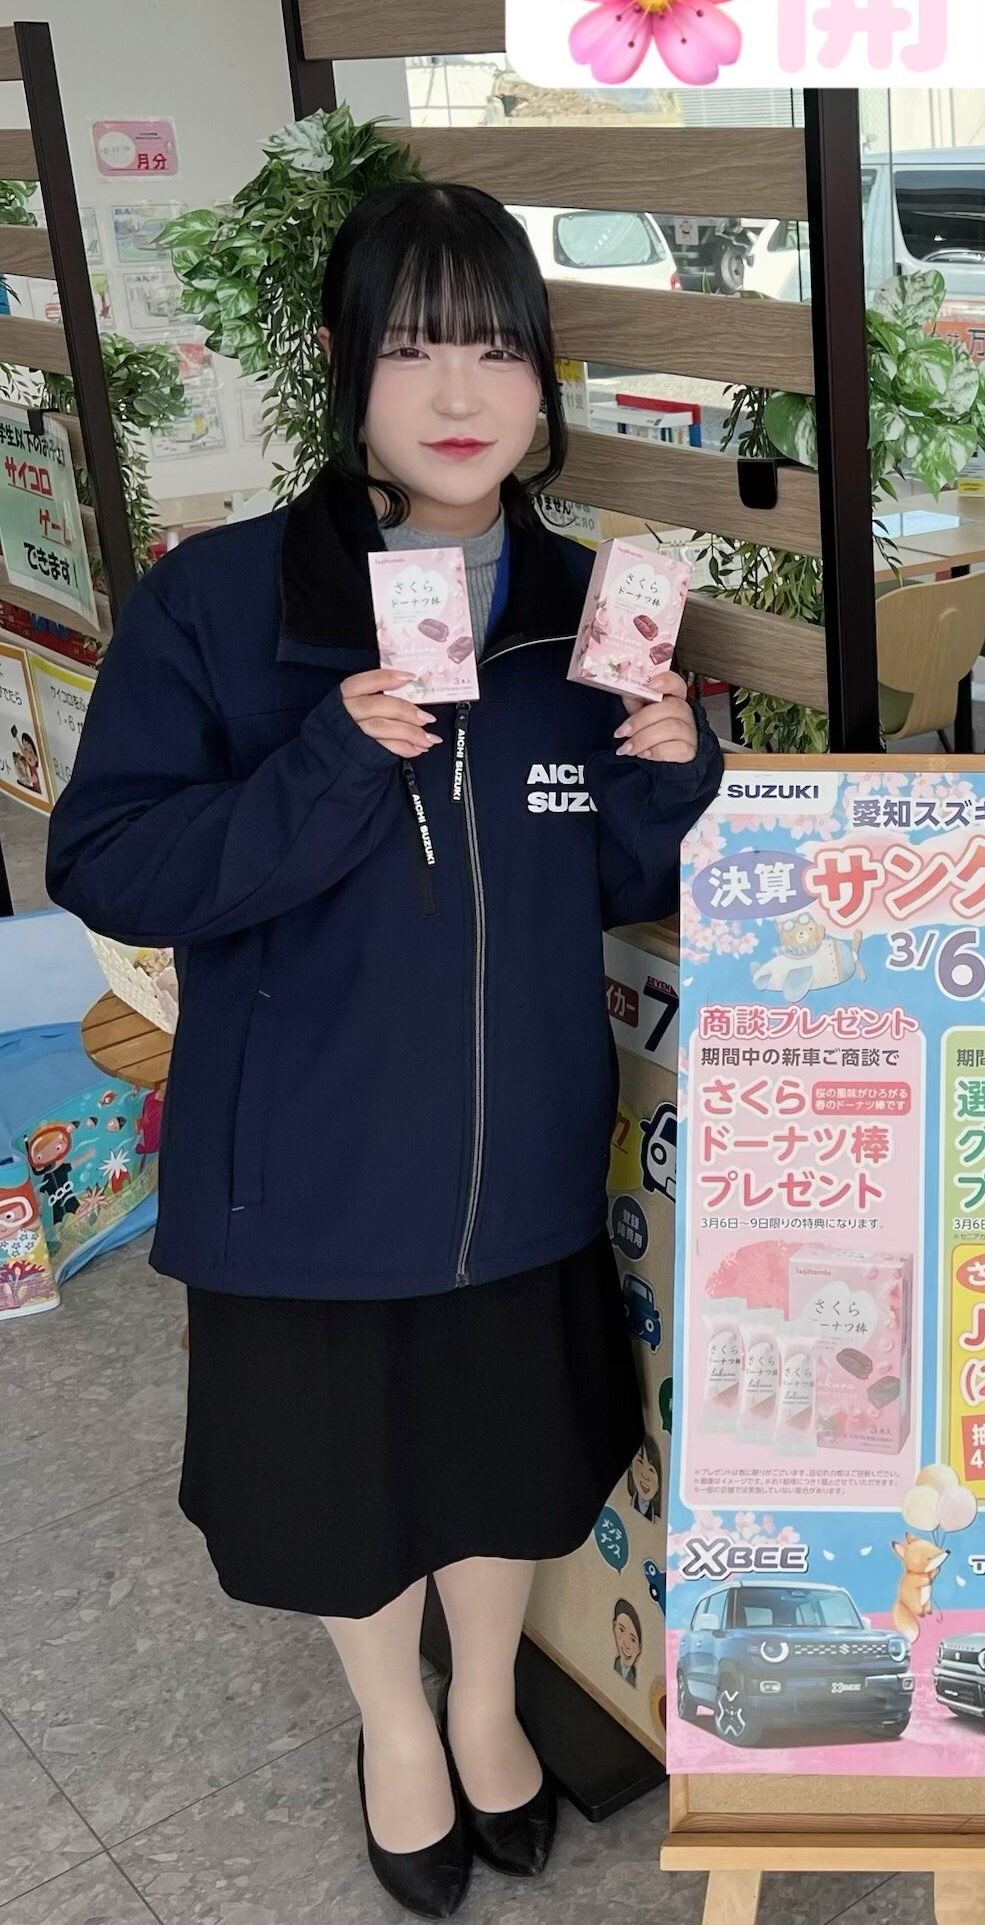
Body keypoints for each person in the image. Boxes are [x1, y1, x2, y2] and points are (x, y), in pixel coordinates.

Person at [49, 183, 723, 1918]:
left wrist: (669, 774)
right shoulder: (222, 603)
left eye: (498, 348)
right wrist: (331, 761)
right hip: (311, 1165)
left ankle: (485, 1707)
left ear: (545, 378)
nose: (461, 391)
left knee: (505, 1470)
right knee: (348, 1498)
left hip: (520, 1157)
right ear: (346, 363)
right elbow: (111, 860)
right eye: (416, 345)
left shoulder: (591, 609)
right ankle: (397, 1732)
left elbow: (616, 877)